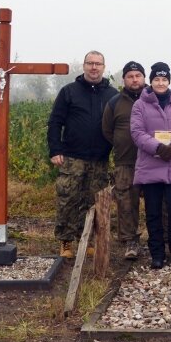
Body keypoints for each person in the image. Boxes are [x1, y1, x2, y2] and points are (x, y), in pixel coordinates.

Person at [47, 50, 118, 259]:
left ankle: (85, 240)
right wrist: (55, 149)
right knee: (68, 199)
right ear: (84, 66)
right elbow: (55, 122)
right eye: (90, 63)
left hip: (100, 158)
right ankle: (66, 241)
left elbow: (119, 125)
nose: (94, 67)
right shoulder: (69, 91)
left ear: (104, 67)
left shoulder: (112, 94)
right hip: (72, 156)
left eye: (98, 64)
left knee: (93, 202)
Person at [131, 62, 171, 269]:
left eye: (164, 79)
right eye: (157, 79)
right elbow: (137, 132)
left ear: (169, 81)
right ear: (151, 81)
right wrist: (158, 148)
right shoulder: (140, 104)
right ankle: (157, 254)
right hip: (151, 165)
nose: (160, 83)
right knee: (153, 213)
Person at [102, 61, 146, 260]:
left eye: (138, 76)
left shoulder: (153, 98)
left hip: (153, 161)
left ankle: (161, 241)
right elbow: (107, 130)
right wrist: (123, 143)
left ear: (144, 78)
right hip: (125, 161)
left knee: (160, 202)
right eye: (130, 76)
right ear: (124, 79)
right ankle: (130, 241)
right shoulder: (114, 103)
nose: (134, 79)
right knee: (126, 202)